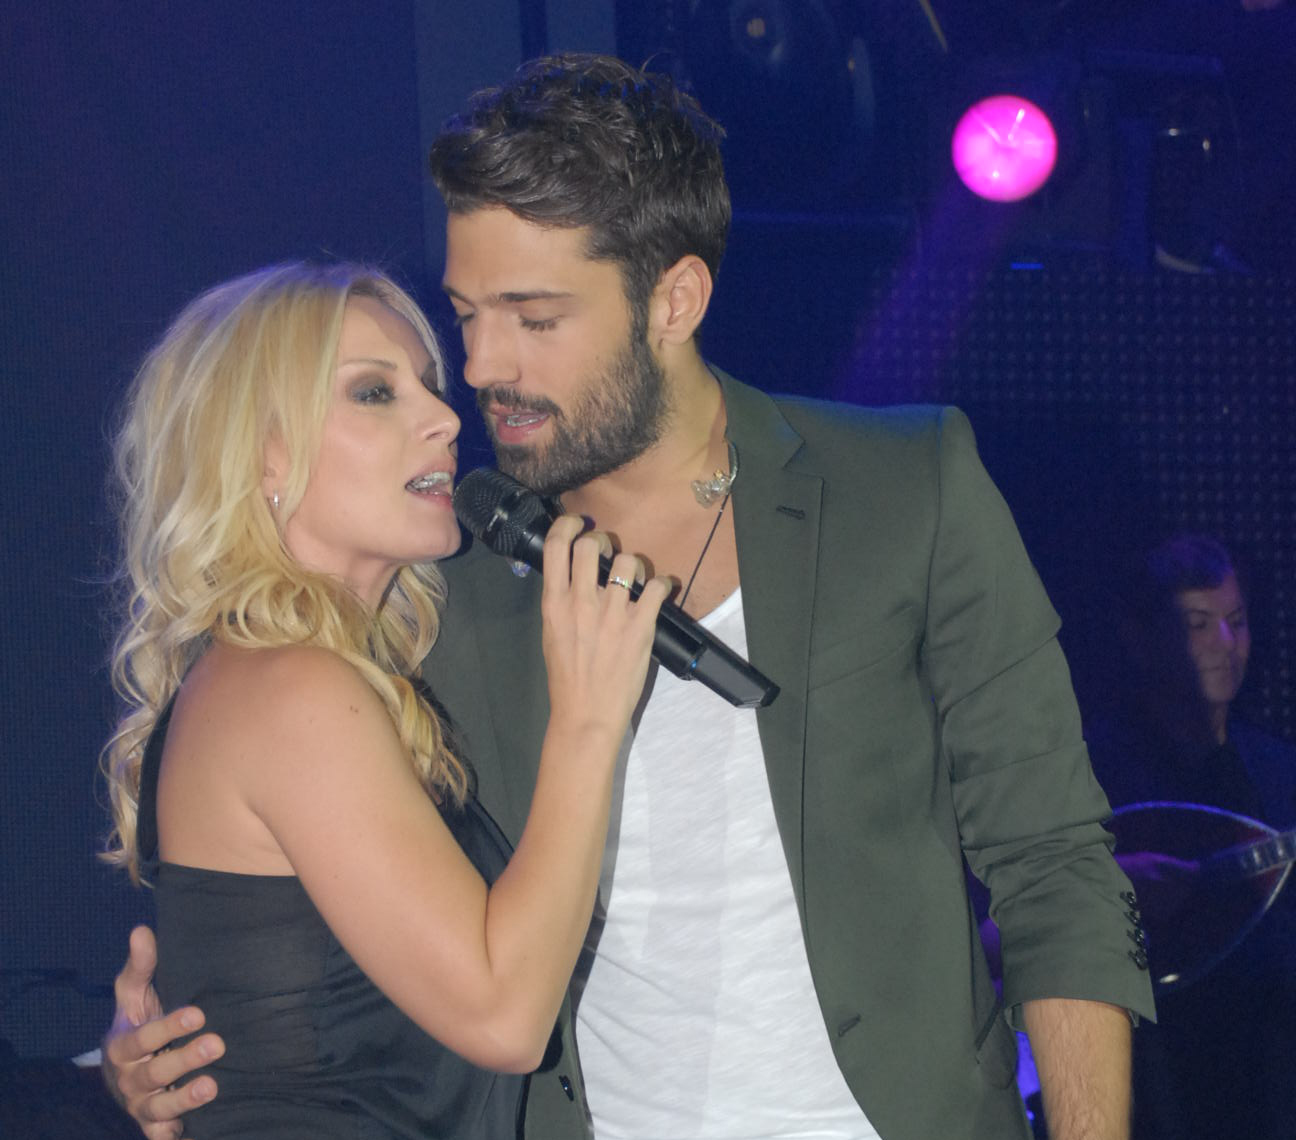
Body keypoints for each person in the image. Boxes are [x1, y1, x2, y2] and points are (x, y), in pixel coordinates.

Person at [105, 55, 1154, 1140]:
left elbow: (1056, 863)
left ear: (674, 301)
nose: (481, 367)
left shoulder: (904, 488)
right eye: (466, 314)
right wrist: (184, 1041)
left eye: (533, 318)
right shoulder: (434, 579)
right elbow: (285, 893)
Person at [98, 259, 668, 1137]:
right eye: (374, 393)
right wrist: (589, 719)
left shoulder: (294, 678)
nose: (446, 418)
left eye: (430, 386)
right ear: (262, 454)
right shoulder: (287, 688)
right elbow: (504, 1019)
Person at [1085, 534, 1296, 1140]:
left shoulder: (1277, 771)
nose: (1226, 644)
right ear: (1140, 638)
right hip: (1152, 1080)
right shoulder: (1093, 775)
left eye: (1237, 621)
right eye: (1197, 625)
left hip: (1270, 1076)